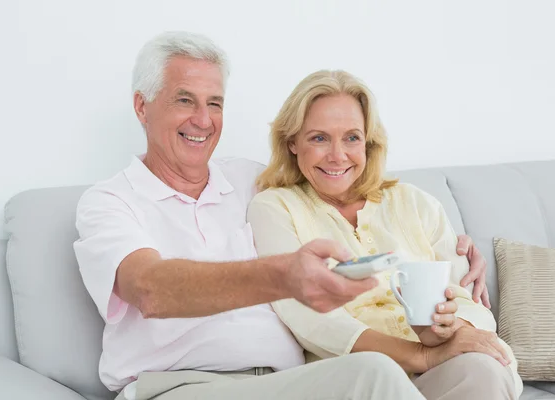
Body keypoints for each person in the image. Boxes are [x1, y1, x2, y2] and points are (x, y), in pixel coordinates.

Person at [73, 31, 491, 400]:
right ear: (141, 107)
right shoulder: (109, 202)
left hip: (291, 383)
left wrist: (455, 248)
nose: (202, 120)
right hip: (179, 386)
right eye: (185, 100)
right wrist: (283, 277)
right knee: (374, 374)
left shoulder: (252, 181)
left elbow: (338, 182)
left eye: (214, 103)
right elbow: (150, 290)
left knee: (474, 373)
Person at [246, 69, 523, 399]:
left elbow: (470, 299)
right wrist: (421, 354)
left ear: (368, 141)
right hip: (355, 377)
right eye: (319, 138)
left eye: (352, 137)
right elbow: (307, 319)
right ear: (292, 142)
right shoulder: (275, 207)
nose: (338, 155)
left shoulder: (416, 203)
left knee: (486, 368)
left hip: (440, 371)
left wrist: (448, 329)